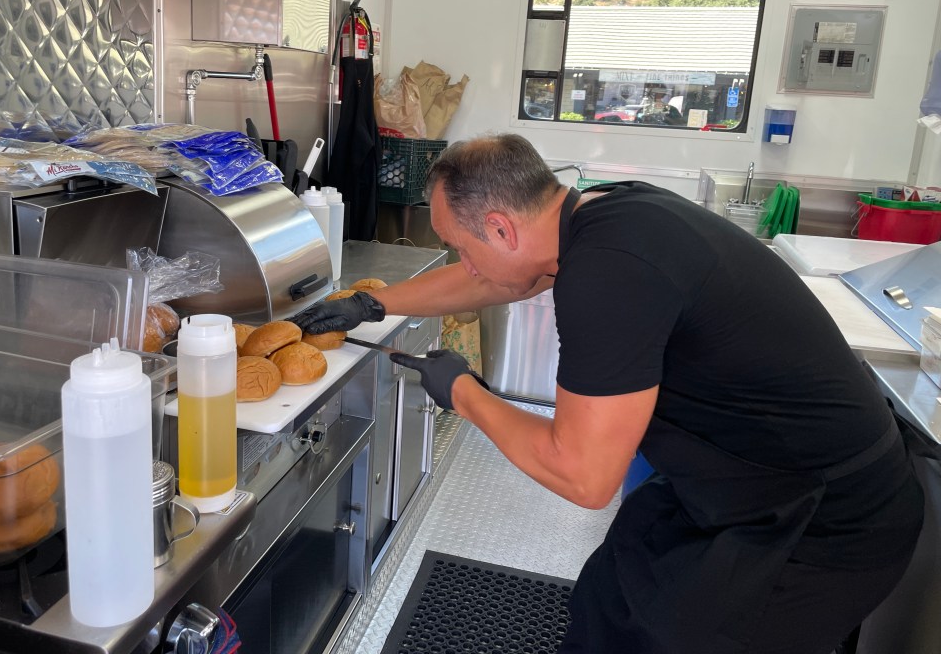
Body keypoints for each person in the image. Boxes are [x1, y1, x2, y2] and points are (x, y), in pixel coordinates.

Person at [290, 133, 923, 654]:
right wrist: (374, 303)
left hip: (826, 522)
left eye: (460, 246)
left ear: (503, 229)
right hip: (738, 482)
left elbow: (583, 476)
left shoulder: (606, 279)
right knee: (608, 604)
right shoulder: (603, 215)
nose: (463, 263)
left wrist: (461, 390)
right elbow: (499, 282)